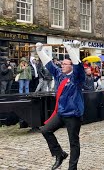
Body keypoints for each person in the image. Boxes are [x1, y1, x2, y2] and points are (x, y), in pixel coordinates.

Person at [37, 41, 85, 170]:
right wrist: (39, 51)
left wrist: (70, 48)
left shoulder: (77, 77)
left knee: (73, 142)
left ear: (71, 66)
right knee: (45, 130)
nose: (62, 65)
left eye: (65, 64)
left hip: (73, 114)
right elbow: (49, 64)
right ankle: (60, 154)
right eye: (62, 63)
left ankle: (72, 168)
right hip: (61, 112)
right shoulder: (59, 74)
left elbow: (78, 65)